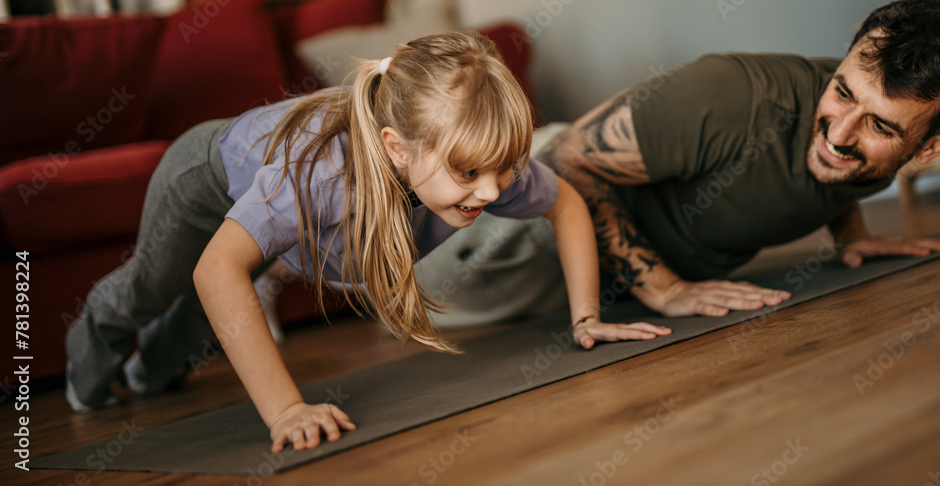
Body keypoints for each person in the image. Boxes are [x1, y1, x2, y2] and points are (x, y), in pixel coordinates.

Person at [65, 31, 669, 453]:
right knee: (156, 286)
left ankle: (148, 377)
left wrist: (586, 317)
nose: (490, 192)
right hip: (205, 179)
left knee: (192, 331)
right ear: (397, 148)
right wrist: (287, 411)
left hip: (291, 202)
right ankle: (86, 372)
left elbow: (564, 203)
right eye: (468, 175)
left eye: (503, 168)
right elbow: (214, 271)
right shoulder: (325, 175)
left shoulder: (483, 167)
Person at [414, 0, 940, 324]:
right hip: (503, 223)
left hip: (606, 276)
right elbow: (567, 163)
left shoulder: (862, 138)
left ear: (931, 146)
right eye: (841, 91)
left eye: (879, 125)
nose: (839, 133)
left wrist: (852, 234)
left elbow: (837, 171)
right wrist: (665, 290)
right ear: (840, 65)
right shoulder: (734, 94)